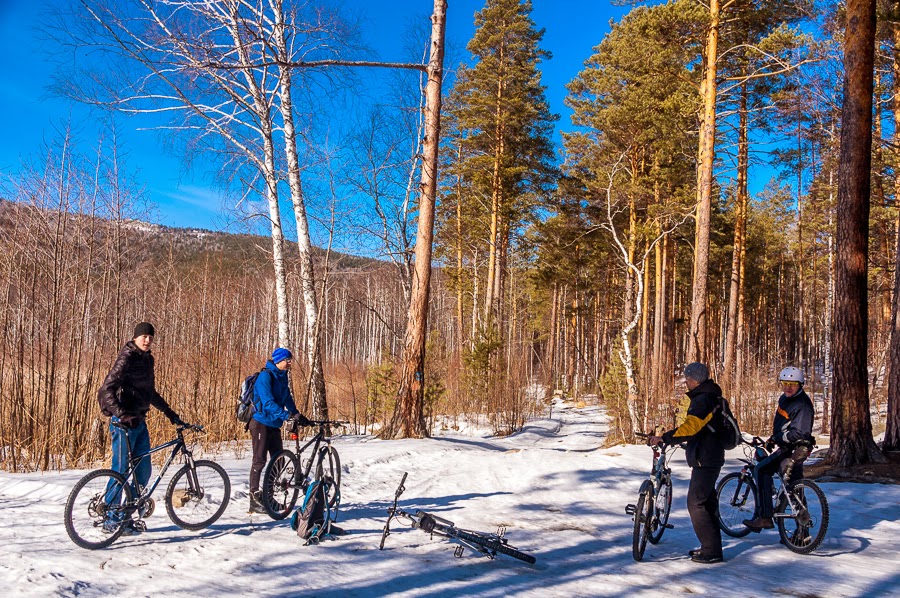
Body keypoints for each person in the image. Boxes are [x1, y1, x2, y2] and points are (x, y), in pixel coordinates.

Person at [97, 321, 185, 534]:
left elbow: (149, 393)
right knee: (121, 471)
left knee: (143, 472)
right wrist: (122, 414)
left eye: (151, 337)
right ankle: (111, 519)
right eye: (144, 336)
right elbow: (106, 390)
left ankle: (126, 518)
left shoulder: (147, 360)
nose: (147, 340)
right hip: (123, 424)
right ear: (135, 338)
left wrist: (170, 413)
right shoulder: (126, 357)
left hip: (139, 422)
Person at [649, 362, 725, 564]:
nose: (686, 382)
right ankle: (712, 548)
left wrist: (666, 437)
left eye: (688, 378)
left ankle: (711, 551)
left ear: (696, 379)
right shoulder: (710, 396)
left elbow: (691, 427)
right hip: (708, 455)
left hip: (706, 458)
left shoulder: (704, 399)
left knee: (696, 503)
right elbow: (700, 429)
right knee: (706, 502)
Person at [743, 366, 815, 533]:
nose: (788, 387)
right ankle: (802, 534)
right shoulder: (786, 399)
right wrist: (773, 438)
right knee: (792, 486)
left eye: (792, 384)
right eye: (785, 383)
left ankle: (765, 517)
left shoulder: (802, 404)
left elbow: (800, 432)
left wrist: (778, 438)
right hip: (789, 447)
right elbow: (784, 426)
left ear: (800, 384)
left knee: (762, 470)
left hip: (793, 449)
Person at [248, 347, 310, 514]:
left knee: (279, 460)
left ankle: (268, 498)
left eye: (290, 360)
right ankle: (254, 498)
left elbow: (287, 398)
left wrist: (296, 414)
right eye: (287, 360)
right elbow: (267, 403)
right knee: (259, 460)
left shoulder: (283, 377)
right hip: (261, 422)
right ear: (278, 361)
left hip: (274, 424)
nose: (290, 363)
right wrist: (285, 415)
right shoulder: (265, 377)